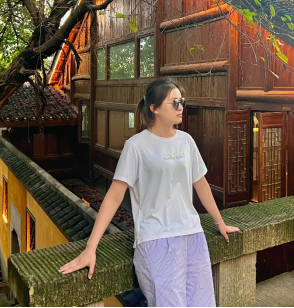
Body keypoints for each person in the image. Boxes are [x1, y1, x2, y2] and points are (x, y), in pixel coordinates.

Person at [59, 78, 239, 307]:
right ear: (154, 108)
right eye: (174, 103)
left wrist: (220, 222)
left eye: (182, 101)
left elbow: (201, 184)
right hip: (155, 239)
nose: (181, 107)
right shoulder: (136, 146)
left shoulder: (186, 141)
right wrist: (90, 247)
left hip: (192, 235)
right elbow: (114, 197)